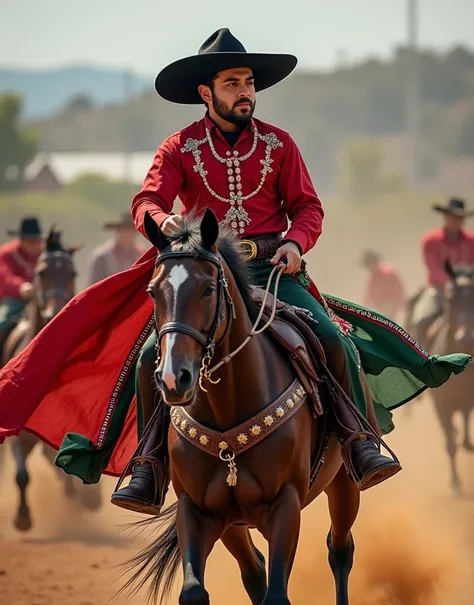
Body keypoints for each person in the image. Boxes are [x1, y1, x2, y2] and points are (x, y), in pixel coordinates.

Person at [0, 30, 469, 513]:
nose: (244, 91)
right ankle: (148, 465)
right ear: (206, 92)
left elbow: (308, 208)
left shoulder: (280, 144)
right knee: (145, 360)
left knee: (332, 337)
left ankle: (357, 441)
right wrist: (165, 225)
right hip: (204, 270)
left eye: (248, 82)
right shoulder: (178, 148)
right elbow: (148, 201)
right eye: (232, 83)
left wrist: (294, 241)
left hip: (272, 271)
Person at [412, 197, 474, 344]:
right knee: (421, 319)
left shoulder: (472, 241)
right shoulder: (431, 240)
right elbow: (433, 269)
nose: (456, 221)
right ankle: (419, 360)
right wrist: (450, 283)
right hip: (439, 291)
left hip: (468, 293)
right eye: (453, 217)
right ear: (445, 217)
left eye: (459, 218)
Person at [0, 217, 43, 354]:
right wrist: (21, 287)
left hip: (41, 300)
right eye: (31, 241)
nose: (35, 245)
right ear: (21, 240)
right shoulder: (6, 254)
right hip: (15, 300)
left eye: (37, 241)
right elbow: (5, 277)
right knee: (2, 323)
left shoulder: (44, 255)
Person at [87, 212, 147, 285]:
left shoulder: (143, 255)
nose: (127, 234)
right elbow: (94, 285)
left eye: (130, 230)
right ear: (118, 231)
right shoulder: (103, 256)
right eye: (124, 230)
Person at [361, 250, 406, 321]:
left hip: (393, 310)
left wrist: (394, 308)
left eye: (371, 263)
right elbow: (368, 297)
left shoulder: (389, 273)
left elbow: (399, 292)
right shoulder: (371, 279)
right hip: (379, 311)